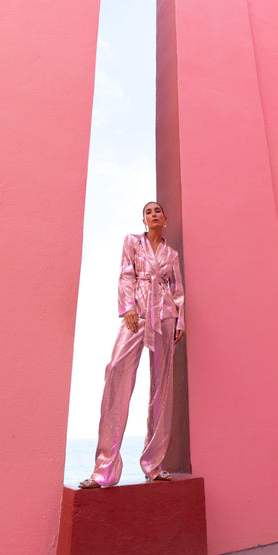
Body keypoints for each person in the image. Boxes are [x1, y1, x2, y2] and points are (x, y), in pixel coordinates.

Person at [79, 201, 185, 488]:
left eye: (157, 211)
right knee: (116, 371)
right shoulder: (132, 242)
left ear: (165, 219)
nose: (153, 214)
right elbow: (126, 273)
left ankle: (154, 465)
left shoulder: (171, 255)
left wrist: (180, 321)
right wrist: (127, 308)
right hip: (137, 313)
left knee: (161, 389)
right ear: (144, 220)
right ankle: (104, 471)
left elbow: (177, 290)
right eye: (148, 211)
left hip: (164, 316)